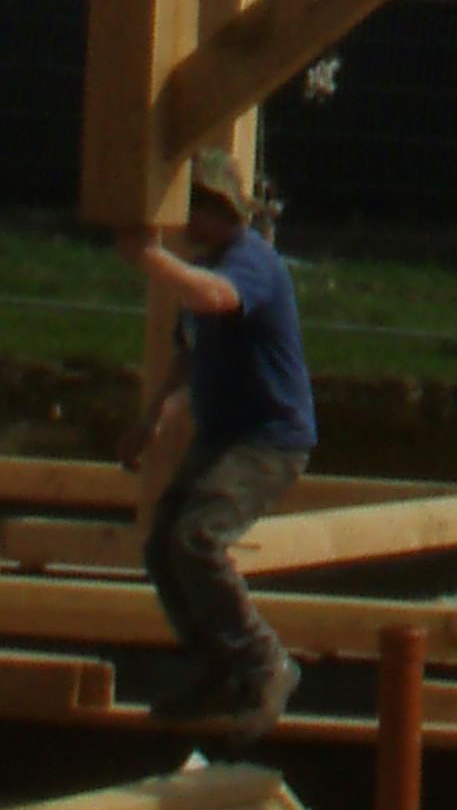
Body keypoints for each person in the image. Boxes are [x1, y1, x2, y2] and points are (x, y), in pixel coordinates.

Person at [123, 155, 317, 745]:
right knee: (162, 546)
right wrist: (154, 416)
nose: (188, 224)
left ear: (216, 210)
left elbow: (214, 301)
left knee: (197, 538)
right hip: (225, 436)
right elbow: (191, 345)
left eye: (194, 211)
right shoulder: (206, 267)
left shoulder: (251, 262)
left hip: (268, 439)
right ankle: (217, 670)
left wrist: (149, 257)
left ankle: (264, 663)